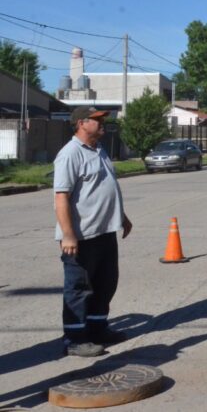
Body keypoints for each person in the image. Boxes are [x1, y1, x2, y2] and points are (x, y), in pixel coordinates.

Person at [53, 106, 132, 357]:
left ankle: (98, 329)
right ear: (81, 123)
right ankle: (75, 338)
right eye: (97, 120)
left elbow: (105, 188)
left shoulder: (99, 149)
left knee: (105, 283)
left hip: (105, 231)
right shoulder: (70, 154)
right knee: (78, 288)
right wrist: (68, 234)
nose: (102, 123)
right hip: (82, 236)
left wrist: (122, 217)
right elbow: (61, 197)